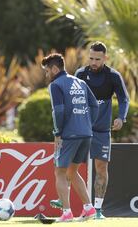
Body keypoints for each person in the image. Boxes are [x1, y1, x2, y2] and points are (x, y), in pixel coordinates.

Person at [50, 42, 130, 219]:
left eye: (98, 59)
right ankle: (65, 201)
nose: (94, 62)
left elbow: (124, 99)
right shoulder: (80, 74)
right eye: (91, 58)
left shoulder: (113, 76)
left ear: (105, 58)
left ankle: (98, 209)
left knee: (101, 168)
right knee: (70, 167)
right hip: (82, 130)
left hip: (101, 130)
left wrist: (120, 117)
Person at [42, 53, 99, 222]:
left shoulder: (55, 84)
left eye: (47, 71)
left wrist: (57, 133)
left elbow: (58, 111)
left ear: (54, 68)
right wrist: (87, 123)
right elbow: (94, 105)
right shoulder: (80, 82)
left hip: (69, 135)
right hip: (86, 133)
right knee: (73, 172)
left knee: (59, 172)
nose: (46, 75)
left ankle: (66, 213)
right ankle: (89, 209)